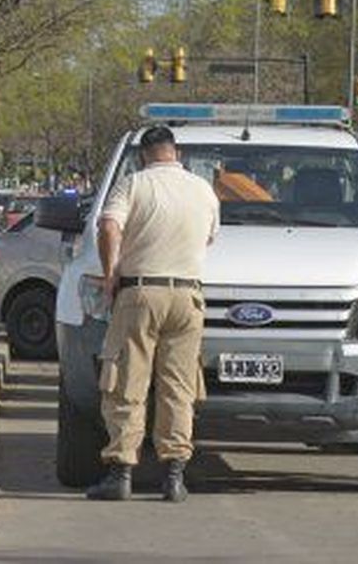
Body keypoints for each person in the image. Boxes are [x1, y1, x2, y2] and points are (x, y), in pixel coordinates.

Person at [85, 125, 219, 502]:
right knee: (179, 388)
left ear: (144, 154)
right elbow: (209, 237)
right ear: (176, 153)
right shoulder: (203, 190)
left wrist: (111, 274)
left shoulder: (134, 185)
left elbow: (109, 226)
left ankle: (121, 473)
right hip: (188, 297)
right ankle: (174, 476)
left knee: (127, 383)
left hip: (141, 293)